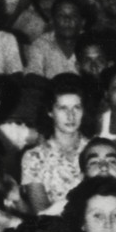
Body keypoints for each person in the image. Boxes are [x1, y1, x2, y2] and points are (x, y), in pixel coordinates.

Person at [20, 77, 92, 215]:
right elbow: (42, 213)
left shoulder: (96, 149)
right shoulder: (34, 157)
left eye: (76, 108)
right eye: (63, 108)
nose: (71, 116)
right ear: (50, 111)